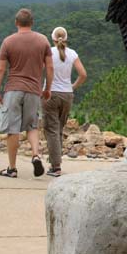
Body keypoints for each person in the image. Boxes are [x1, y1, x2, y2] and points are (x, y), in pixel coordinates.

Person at [0, 8, 53, 179]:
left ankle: (12, 169)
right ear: (32, 23)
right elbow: (49, 67)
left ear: (16, 23)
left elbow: (0, 70)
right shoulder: (43, 41)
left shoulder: (8, 41)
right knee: (32, 126)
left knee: (13, 130)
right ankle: (35, 155)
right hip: (34, 90)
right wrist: (47, 88)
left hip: (13, 89)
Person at [42, 26, 87, 177]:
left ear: (53, 38)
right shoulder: (72, 53)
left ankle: (55, 166)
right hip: (67, 95)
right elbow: (83, 74)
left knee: (51, 130)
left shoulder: (48, 52)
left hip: (51, 93)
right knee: (59, 130)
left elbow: (39, 70)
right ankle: (55, 162)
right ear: (65, 38)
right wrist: (72, 86)